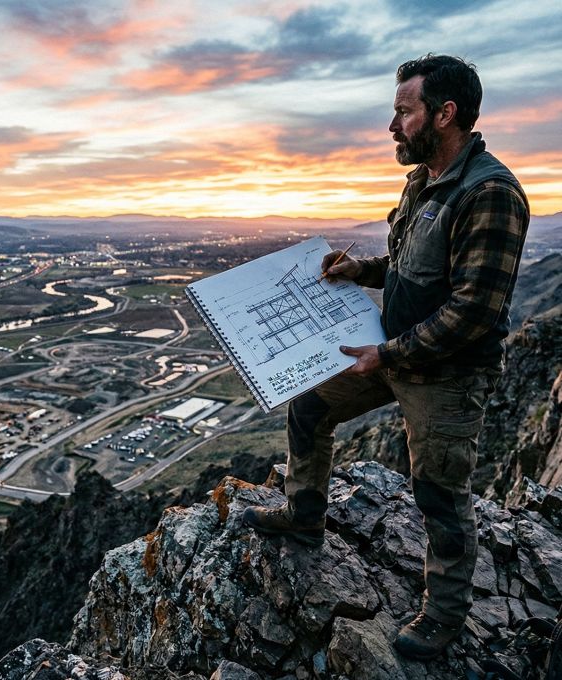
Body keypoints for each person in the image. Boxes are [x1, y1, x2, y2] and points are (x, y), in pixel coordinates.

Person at [242, 54, 530, 661]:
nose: (392, 125)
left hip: (447, 374)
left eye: (404, 111)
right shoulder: (424, 179)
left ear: (444, 114)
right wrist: (361, 270)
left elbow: (473, 312)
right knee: (309, 404)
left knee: (439, 491)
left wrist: (386, 353)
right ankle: (304, 513)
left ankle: (443, 615)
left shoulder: (491, 193)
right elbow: (410, 268)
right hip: (394, 353)